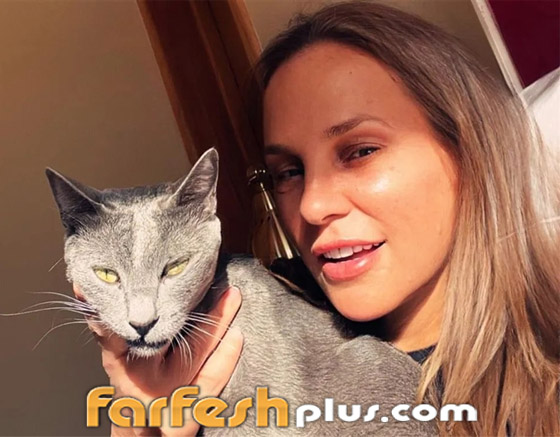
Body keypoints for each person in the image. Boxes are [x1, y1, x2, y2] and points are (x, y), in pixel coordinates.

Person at [88, 2, 559, 436]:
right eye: (289, 172)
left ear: (468, 150)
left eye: (360, 151)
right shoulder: (233, 352)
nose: (311, 206)